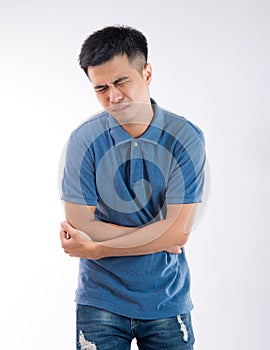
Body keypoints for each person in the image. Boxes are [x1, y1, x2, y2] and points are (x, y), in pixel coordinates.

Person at [60, 25, 206, 350]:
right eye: (101, 88)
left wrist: (100, 249)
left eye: (121, 81)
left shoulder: (185, 137)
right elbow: (80, 228)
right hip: (100, 301)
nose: (113, 96)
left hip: (167, 299)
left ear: (147, 72)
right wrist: (158, 233)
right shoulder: (84, 141)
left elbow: (178, 234)